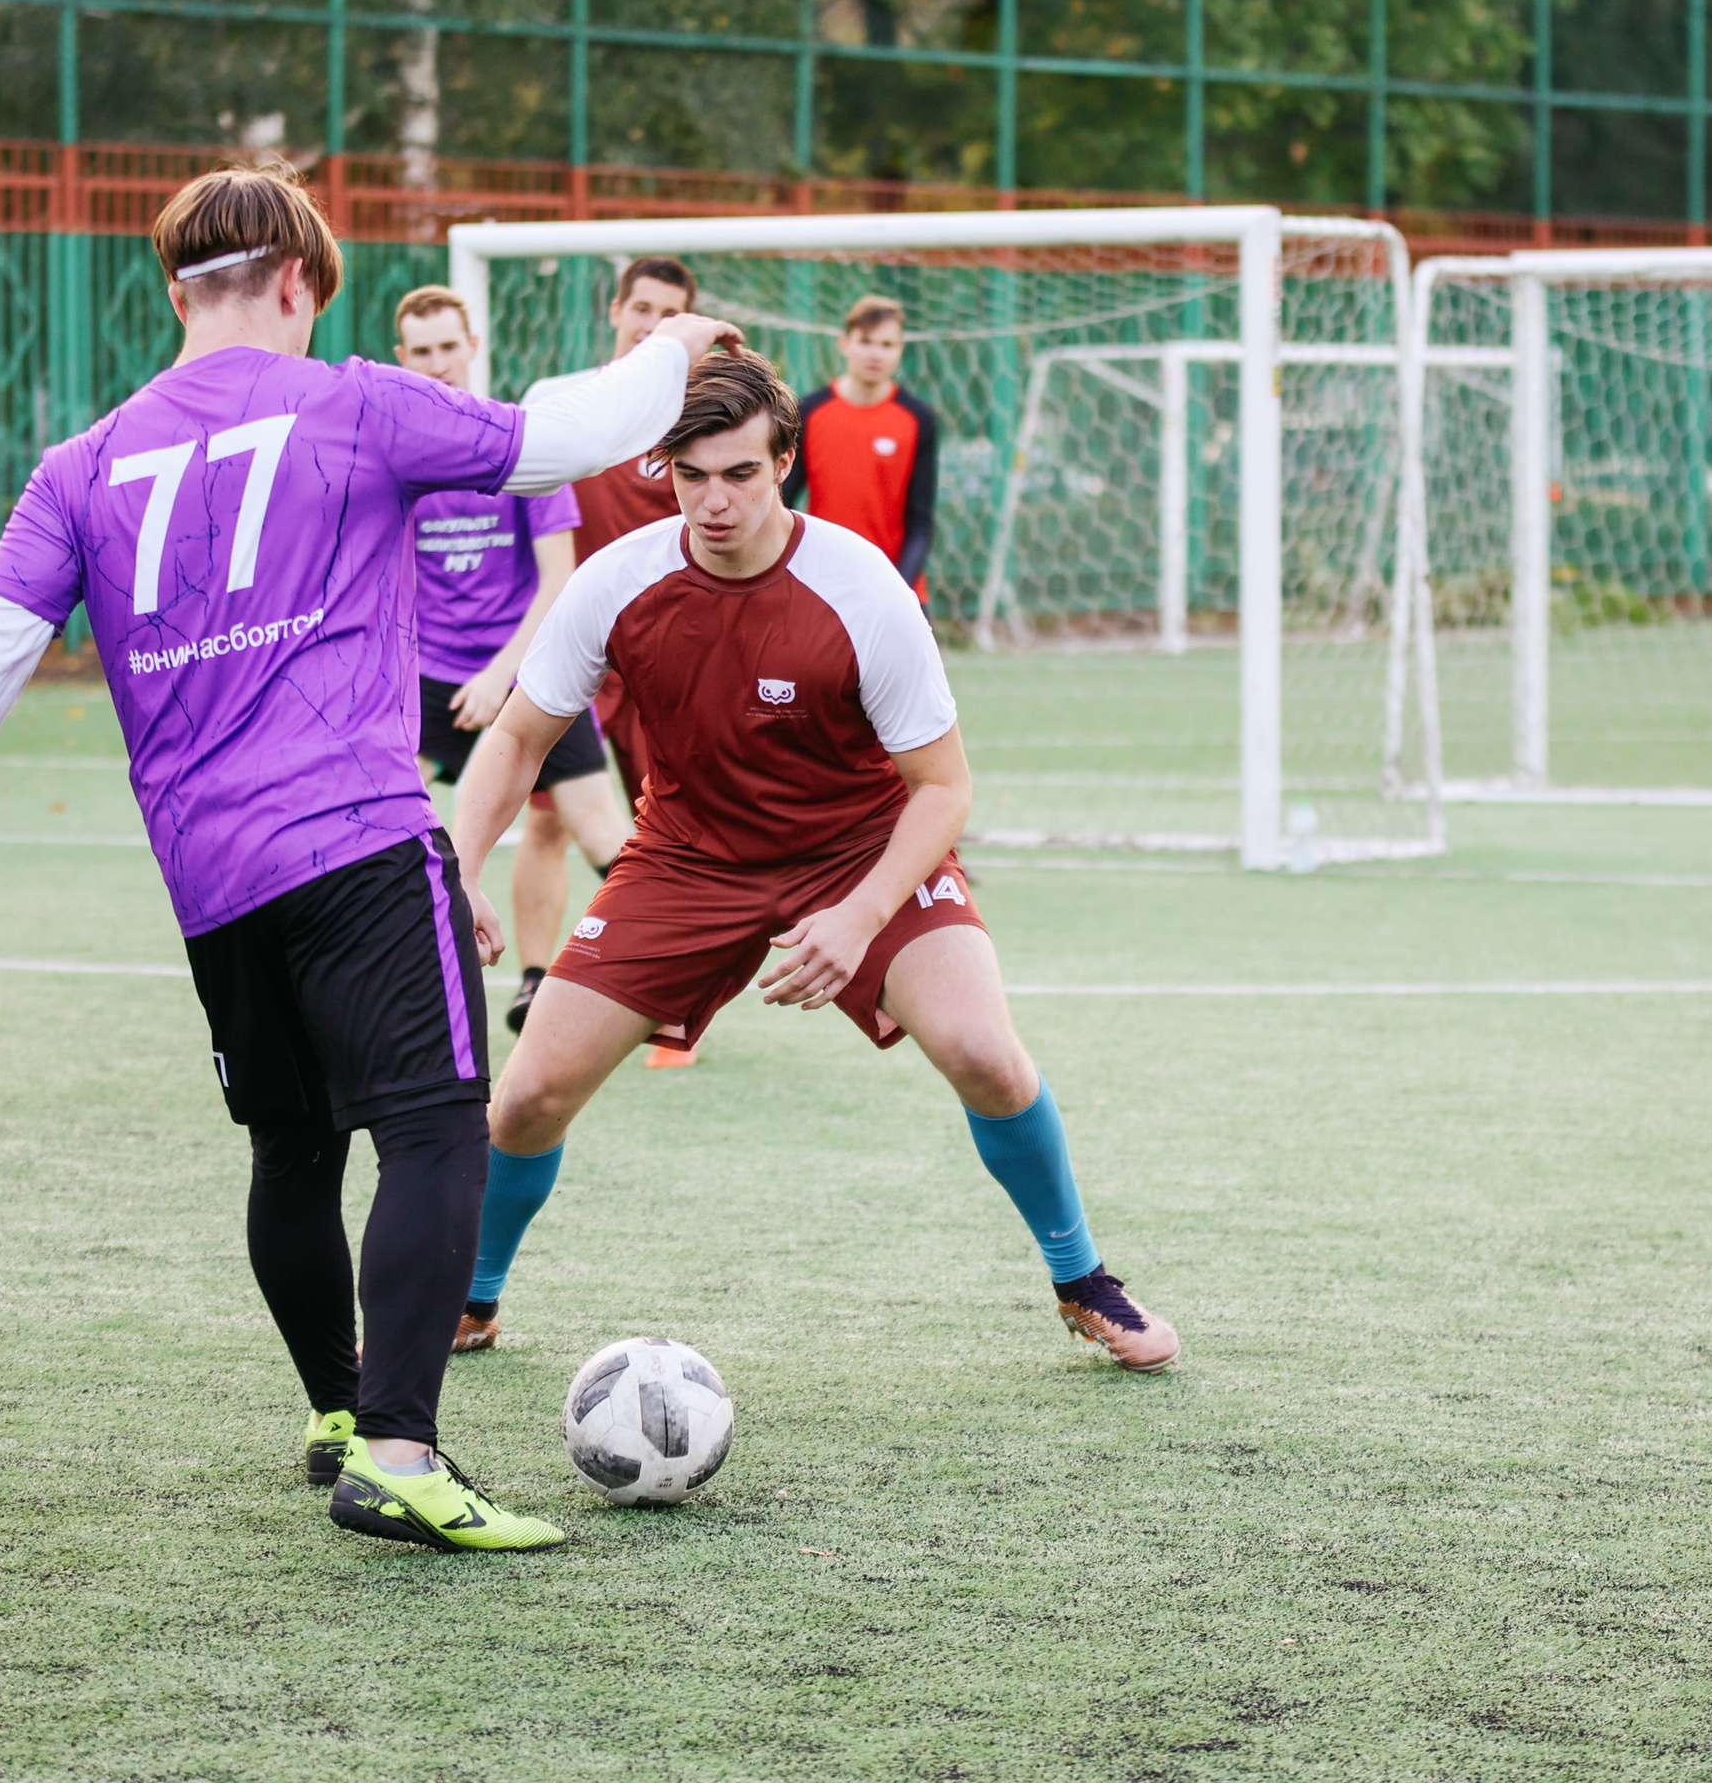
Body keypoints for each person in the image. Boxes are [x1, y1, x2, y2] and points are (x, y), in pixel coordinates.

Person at [0, 161, 742, 1553]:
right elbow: (555, 437)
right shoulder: (353, 401)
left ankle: (336, 1408)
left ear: (175, 291)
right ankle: (401, 1450)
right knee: (436, 1131)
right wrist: (670, 352)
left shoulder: (83, 463)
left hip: (211, 877)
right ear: (304, 282)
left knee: (294, 1147)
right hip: (360, 841)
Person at [440, 352, 1180, 1373]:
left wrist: (862, 913)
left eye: (739, 473)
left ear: (783, 463)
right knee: (526, 1097)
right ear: (664, 470)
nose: (714, 501)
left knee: (981, 1051)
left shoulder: (859, 586)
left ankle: (1081, 1278)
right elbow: (519, 738)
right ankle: (471, 1295)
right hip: (686, 860)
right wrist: (462, 865)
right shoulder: (621, 581)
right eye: (691, 475)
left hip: (861, 846)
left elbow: (944, 788)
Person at [392, 282, 630, 1065]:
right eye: (420, 352)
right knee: (394, 834)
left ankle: (659, 979)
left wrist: (502, 673)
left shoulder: (519, 445)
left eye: (447, 348)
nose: (437, 364)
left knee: (596, 831)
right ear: (404, 360)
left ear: (473, 349)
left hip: (528, 669)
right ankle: (415, 994)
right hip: (427, 679)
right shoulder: (397, 460)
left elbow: (558, 577)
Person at [522, 254, 707, 1070]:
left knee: (670, 826)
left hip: (668, 659)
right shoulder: (565, 406)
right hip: (575, 653)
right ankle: (537, 980)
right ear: (614, 310)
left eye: (669, 314)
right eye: (640, 307)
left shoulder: (701, 421)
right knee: (548, 816)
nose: (649, 324)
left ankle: (677, 1003)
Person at [788, 294, 941, 600]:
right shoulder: (809, 412)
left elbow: (920, 523)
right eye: (866, 341)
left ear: (900, 350)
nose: (876, 354)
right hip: (824, 588)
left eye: (887, 345)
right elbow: (783, 502)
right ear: (845, 343)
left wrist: (898, 589)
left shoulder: (918, 419)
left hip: (897, 589)